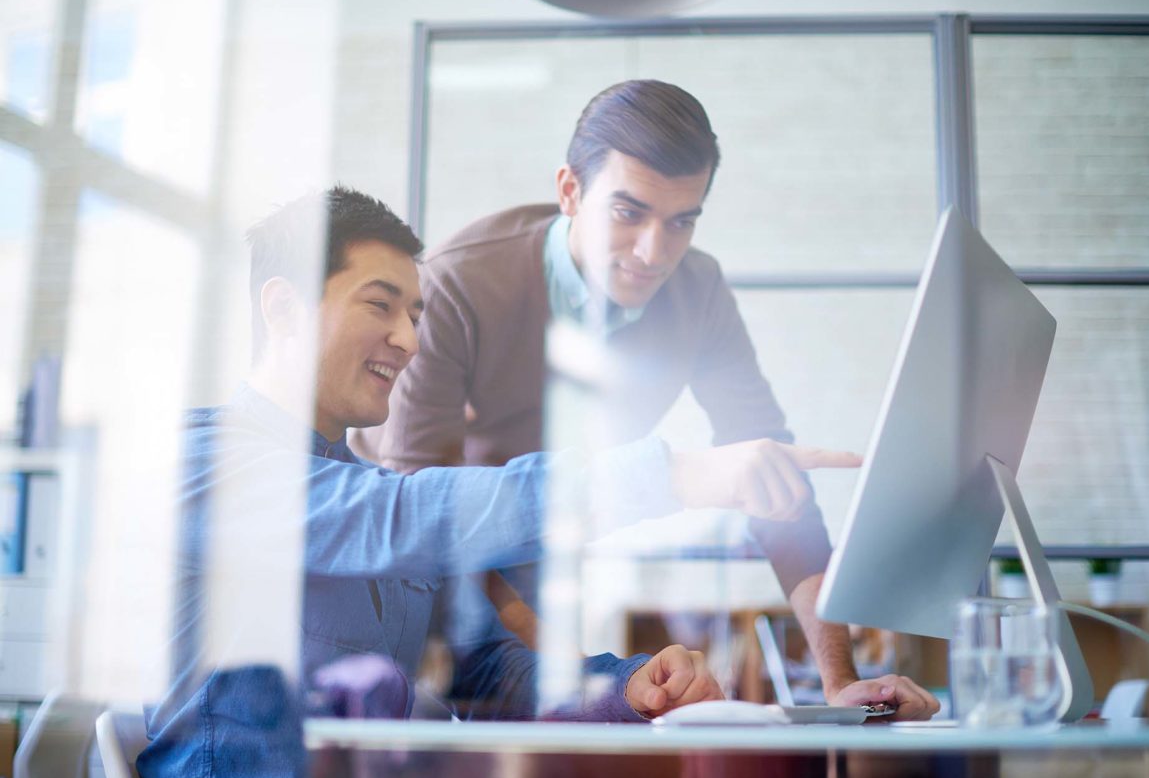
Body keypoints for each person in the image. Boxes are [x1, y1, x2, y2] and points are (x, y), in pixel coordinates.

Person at [137, 186, 867, 778]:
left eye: (415, 315)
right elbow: (402, 515)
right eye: (379, 305)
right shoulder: (206, 463)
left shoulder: (364, 487)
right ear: (286, 308)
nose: (409, 339)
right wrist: (674, 473)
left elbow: (487, 668)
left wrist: (633, 685)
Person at [354, 80, 941, 720]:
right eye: (628, 213)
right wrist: (563, 667)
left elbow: (777, 487)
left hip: (545, 548)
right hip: (406, 556)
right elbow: (421, 507)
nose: (653, 253)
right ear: (570, 191)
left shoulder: (699, 291)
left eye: (681, 221)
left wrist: (840, 681)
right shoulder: (457, 283)